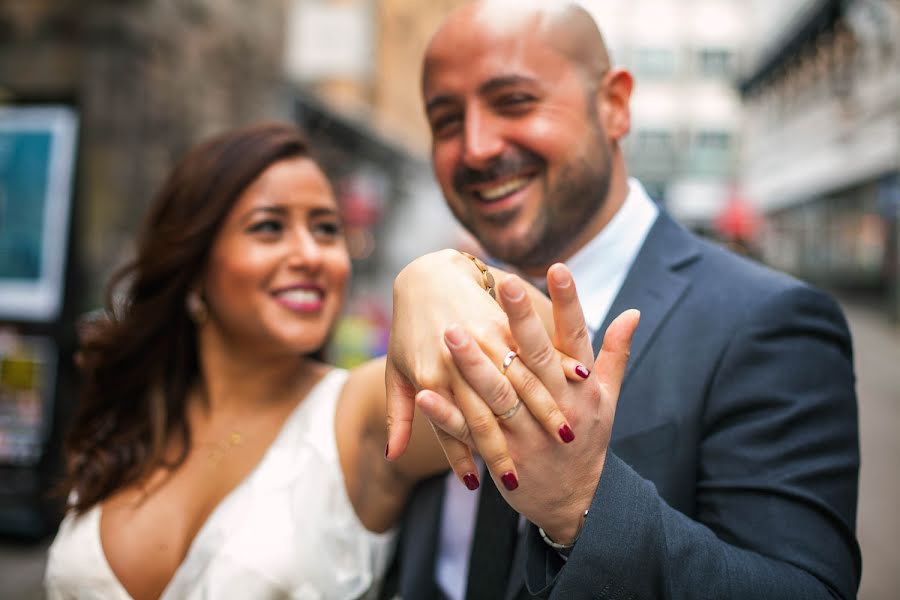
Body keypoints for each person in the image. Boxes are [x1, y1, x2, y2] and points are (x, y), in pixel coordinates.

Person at [382, 2, 861, 599]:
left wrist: (580, 504)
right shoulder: (440, 309)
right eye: (446, 120)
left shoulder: (769, 322)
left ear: (614, 105)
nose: (476, 147)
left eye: (514, 102)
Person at [43, 122, 633, 599]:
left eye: (326, 230)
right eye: (269, 227)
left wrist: (443, 273)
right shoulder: (128, 413)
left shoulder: (359, 413)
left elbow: (550, 352)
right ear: (193, 270)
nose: (310, 255)